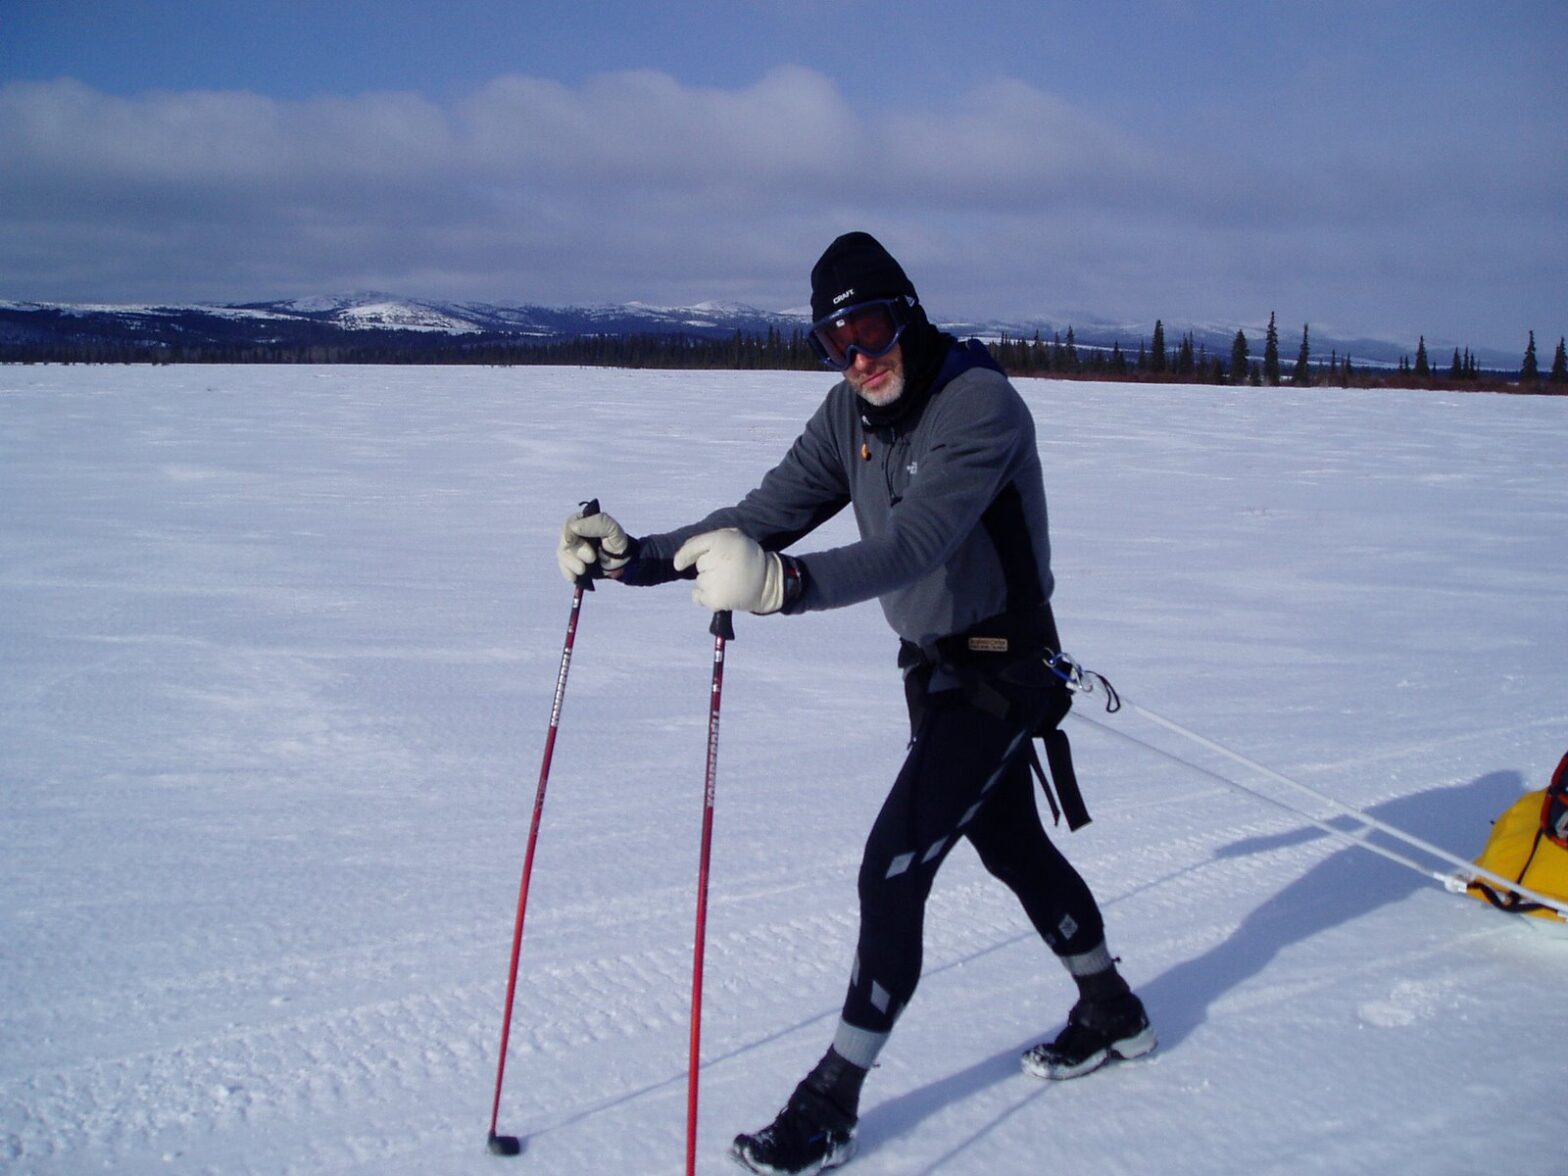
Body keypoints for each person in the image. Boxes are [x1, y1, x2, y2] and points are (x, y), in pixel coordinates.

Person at [556, 232, 1153, 1175]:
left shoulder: (978, 405)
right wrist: (637, 560)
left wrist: (783, 587)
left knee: (893, 869)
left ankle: (832, 1099)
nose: (858, 358)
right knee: (1008, 842)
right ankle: (1113, 1010)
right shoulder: (849, 415)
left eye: (869, 329)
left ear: (906, 313)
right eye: (835, 343)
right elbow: (761, 515)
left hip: (1003, 671)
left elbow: (914, 543)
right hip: (933, 669)